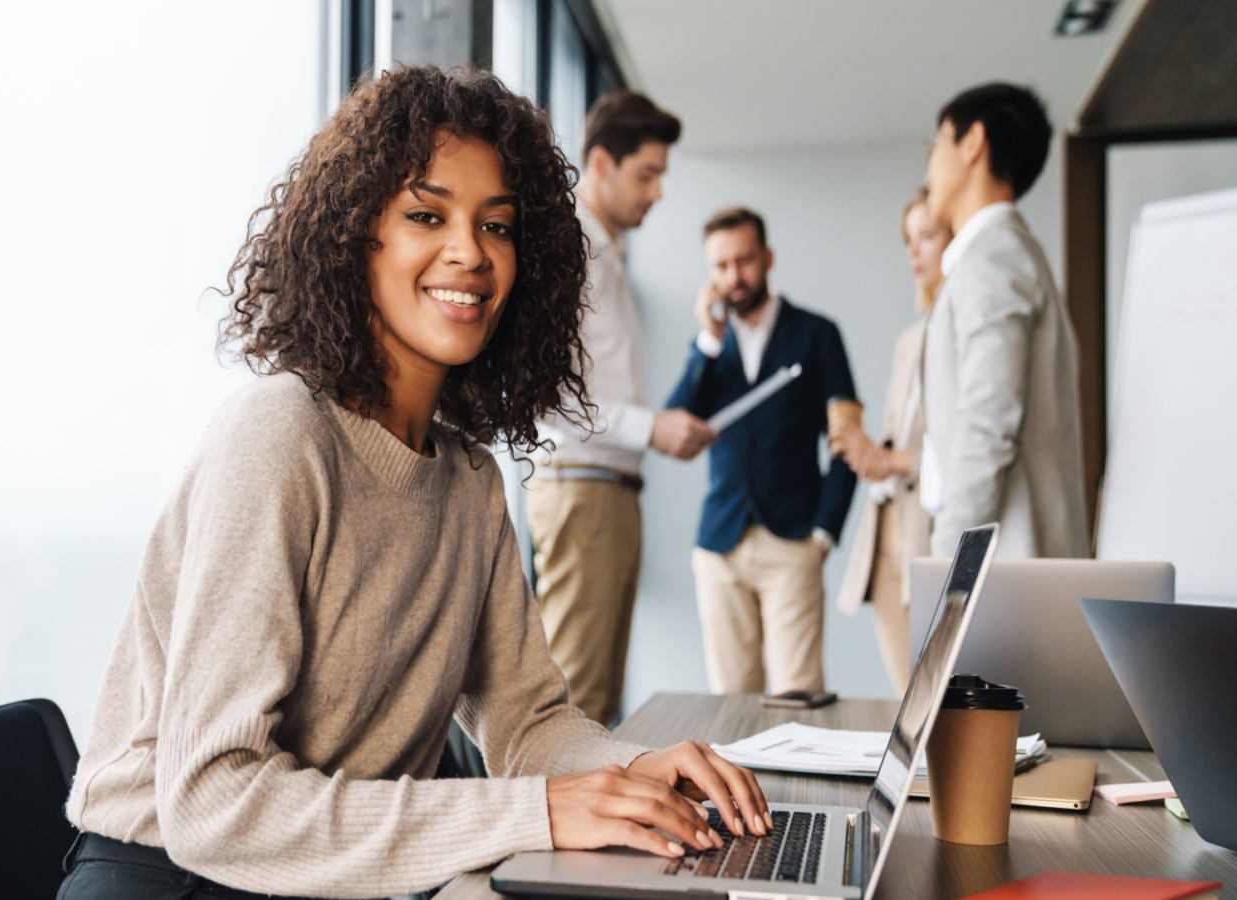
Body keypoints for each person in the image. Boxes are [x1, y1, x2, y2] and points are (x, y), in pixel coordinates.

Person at [58, 68, 772, 900]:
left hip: (336, 873)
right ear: (357, 234)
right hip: (177, 878)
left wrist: (636, 773)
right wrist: (535, 813)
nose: (469, 252)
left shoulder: (470, 479)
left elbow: (526, 722)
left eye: (496, 225)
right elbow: (212, 802)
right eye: (426, 215)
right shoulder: (281, 434)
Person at [529, 90, 713, 727]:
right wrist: (651, 427)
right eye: (648, 174)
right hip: (584, 490)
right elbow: (547, 397)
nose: (658, 192)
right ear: (601, 164)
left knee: (597, 704)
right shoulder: (574, 247)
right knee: (574, 707)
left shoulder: (608, 252)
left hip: (607, 491)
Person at [666, 207, 858, 697]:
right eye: (721, 266)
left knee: (798, 698)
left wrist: (823, 534)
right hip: (719, 546)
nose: (734, 276)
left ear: (767, 258)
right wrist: (707, 343)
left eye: (745, 260)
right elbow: (672, 427)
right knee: (730, 704)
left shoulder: (817, 335)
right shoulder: (710, 348)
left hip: (793, 542)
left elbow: (846, 441)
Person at [919, 82, 1089, 559]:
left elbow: (988, 423)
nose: (928, 168)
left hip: (1003, 562)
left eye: (935, 146)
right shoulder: (1004, 254)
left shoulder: (994, 259)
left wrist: (947, 555)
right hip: (1009, 557)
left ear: (973, 142)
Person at [830, 189, 950, 696]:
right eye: (908, 240)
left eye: (927, 236)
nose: (913, 252)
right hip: (885, 538)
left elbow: (967, 451)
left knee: (940, 699)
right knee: (908, 699)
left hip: (931, 534)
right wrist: (864, 449)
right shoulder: (911, 338)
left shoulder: (964, 332)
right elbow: (898, 437)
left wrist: (889, 458)